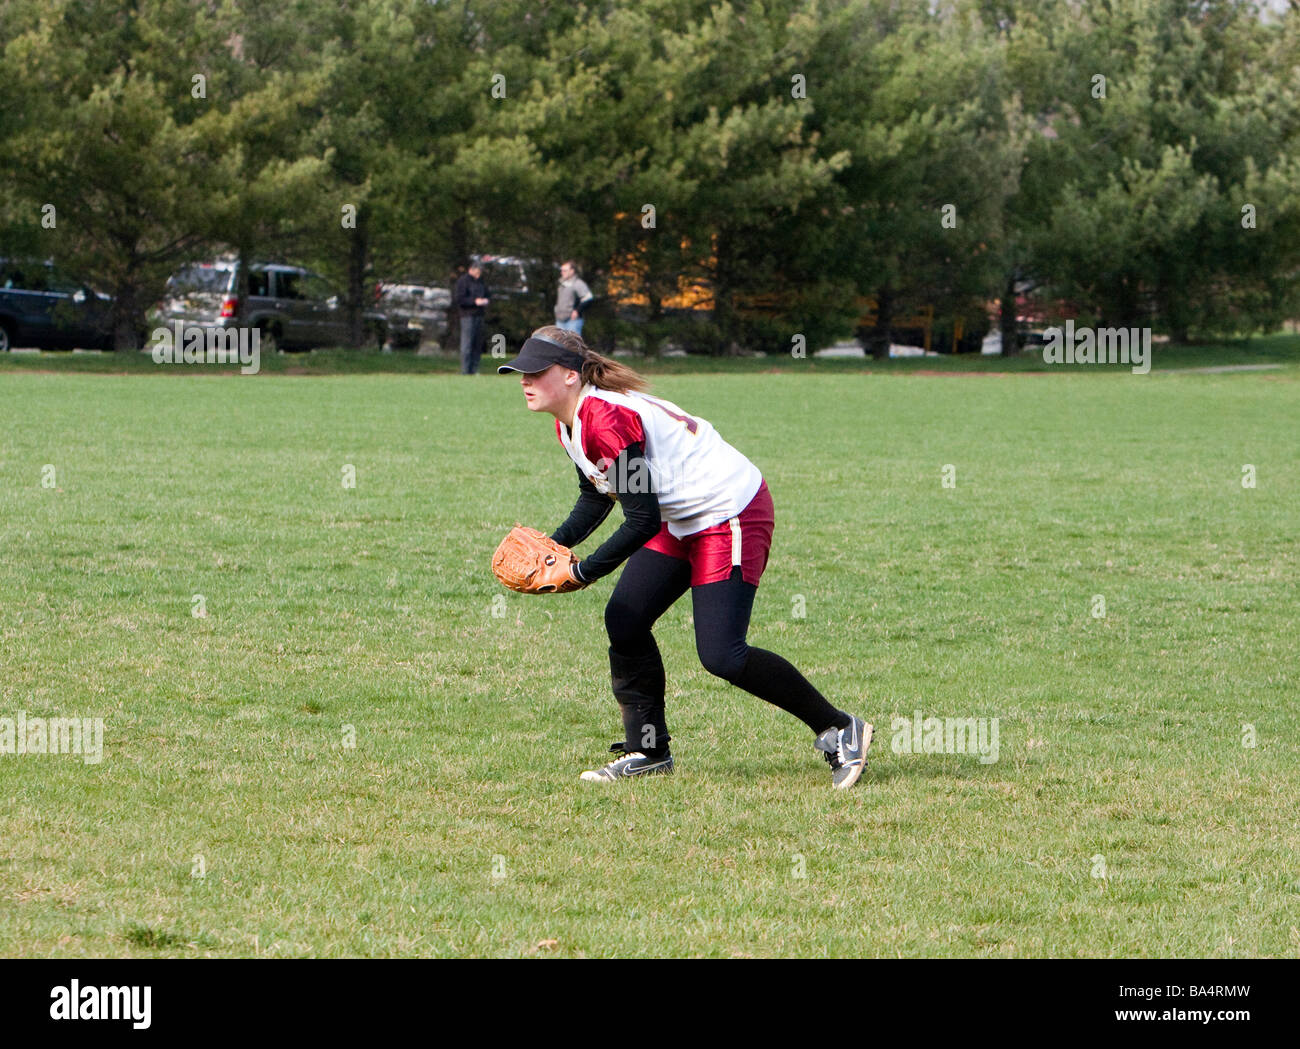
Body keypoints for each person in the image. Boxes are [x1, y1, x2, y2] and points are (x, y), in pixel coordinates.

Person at [497, 326, 873, 787]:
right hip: (677, 516)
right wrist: (550, 548)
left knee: (722, 654)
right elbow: (596, 497)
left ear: (572, 376)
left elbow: (641, 521)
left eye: (537, 370)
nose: (524, 379)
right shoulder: (570, 422)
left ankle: (839, 728)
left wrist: (583, 571)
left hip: (727, 511)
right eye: (520, 371)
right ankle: (648, 750)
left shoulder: (606, 418)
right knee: (626, 619)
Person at [453, 260, 490, 373]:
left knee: (477, 344)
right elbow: (460, 299)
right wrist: (474, 301)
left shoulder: (481, 282)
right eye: (478, 272)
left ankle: (475, 369)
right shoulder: (463, 281)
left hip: (479, 315)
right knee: (467, 344)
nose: (479, 275)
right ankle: (465, 370)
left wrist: (486, 300)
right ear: (472, 270)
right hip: (467, 315)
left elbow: (488, 294)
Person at [554, 260, 593, 335]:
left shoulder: (578, 283)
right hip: (560, 320)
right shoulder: (561, 283)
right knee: (559, 345)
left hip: (572, 321)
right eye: (561, 270)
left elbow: (588, 298)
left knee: (572, 345)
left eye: (565, 270)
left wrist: (577, 311)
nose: (562, 272)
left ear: (572, 271)